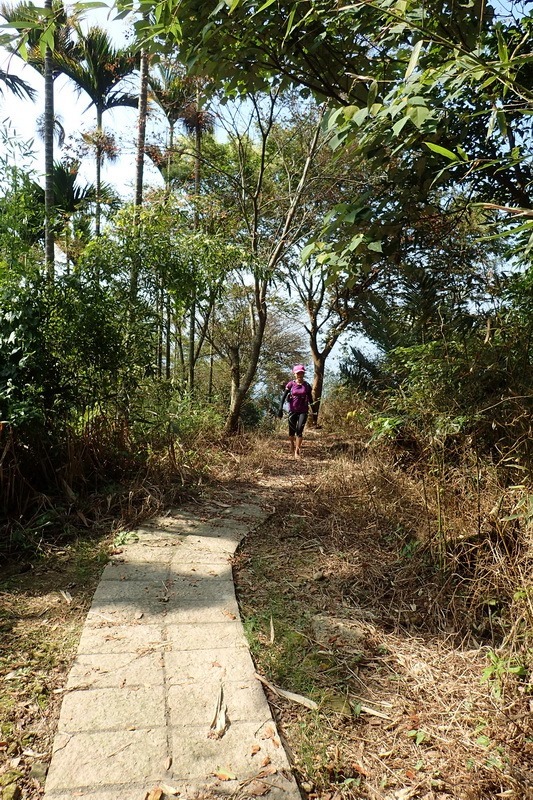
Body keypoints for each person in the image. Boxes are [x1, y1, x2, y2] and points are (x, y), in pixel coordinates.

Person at [278, 365, 314, 458]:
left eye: (301, 372)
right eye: (298, 373)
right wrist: (280, 409)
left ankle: (297, 451)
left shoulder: (307, 385)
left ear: (303, 373)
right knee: (291, 432)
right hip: (292, 410)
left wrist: (314, 412)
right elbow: (283, 397)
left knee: (299, 430)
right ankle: (292, 445)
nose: (300, 374)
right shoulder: (290, 384)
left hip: (303, 410)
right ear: (294, 374)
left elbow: (310, 399)